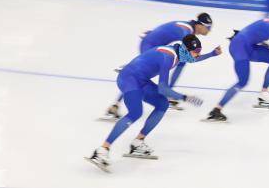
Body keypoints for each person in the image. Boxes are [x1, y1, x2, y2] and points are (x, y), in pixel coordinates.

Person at [87, 35, 207, 172]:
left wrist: (212, 54)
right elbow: (163, 88)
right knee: (136, 112)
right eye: (196, 51)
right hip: (129, 78)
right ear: (185, 50)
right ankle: (102, 150)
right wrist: (185, 97)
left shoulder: (177, 54)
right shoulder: (168, 57)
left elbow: (194, 60)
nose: (198, 55)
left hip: (141, 80)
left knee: (162, 104)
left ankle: (137, 142)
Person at [104, 13, 219, 119]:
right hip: (151, 45)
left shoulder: (188, 28)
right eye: (208, 28)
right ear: (200, 25)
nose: (209, 31)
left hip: (152, 42)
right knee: (139, 77)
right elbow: (191, 58)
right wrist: (211, 54)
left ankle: (117, 104)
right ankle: (115, 104)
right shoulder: (187, 32)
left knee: (178, 63)